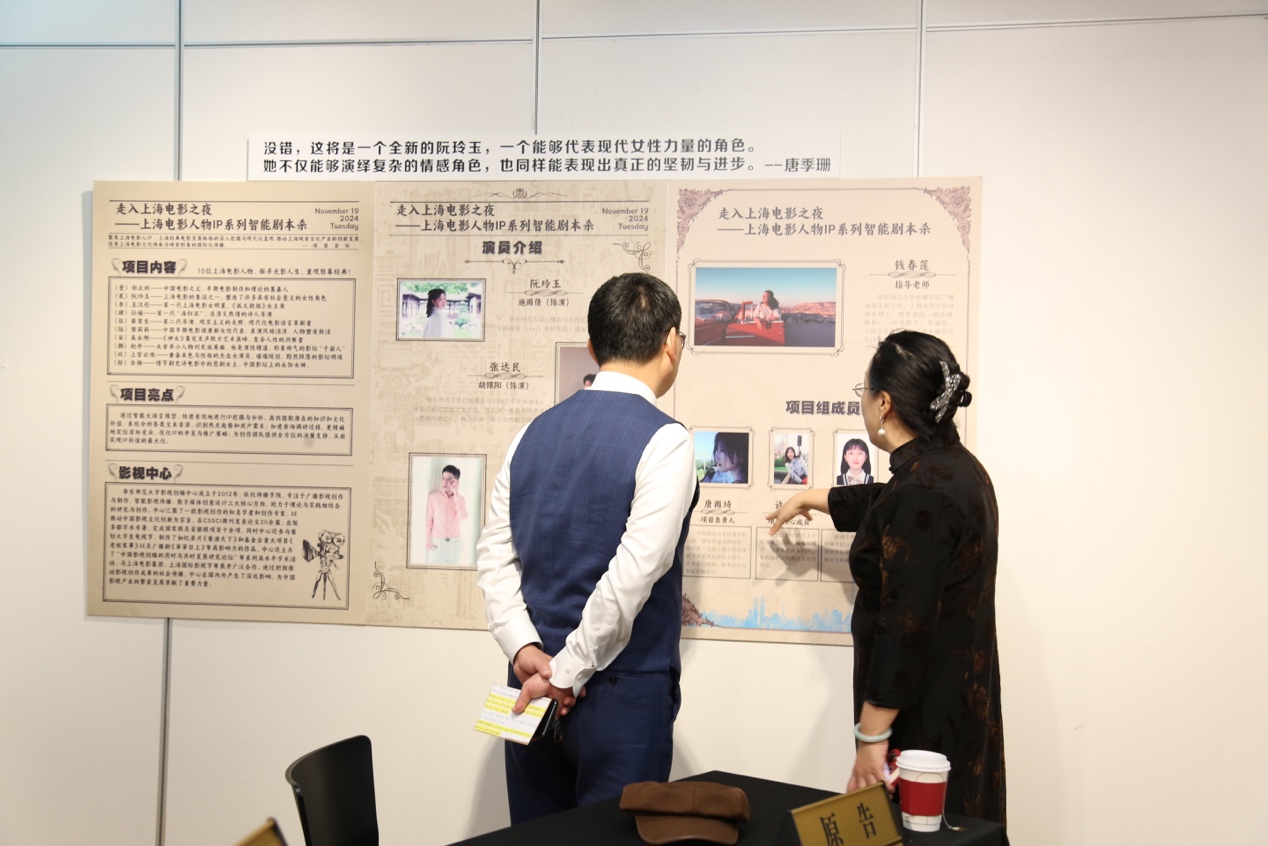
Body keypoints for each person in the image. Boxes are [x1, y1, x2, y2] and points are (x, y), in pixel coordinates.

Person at [476, 272, 698, 824]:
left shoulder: (531, 433)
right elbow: (633, 575)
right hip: (619, 696)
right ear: (671, 343)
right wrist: (565, 672)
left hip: (525, 688)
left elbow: (495, 557)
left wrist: (523, 649)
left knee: (533, 836)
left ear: (594, 347)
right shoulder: (667, 440)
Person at [765, 330, 1005, 824]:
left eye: (865, 391)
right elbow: (887, 502)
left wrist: (871, 739)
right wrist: (812, 497)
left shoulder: (924, 491)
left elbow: (905, 625)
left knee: (918, 830)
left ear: (884, 403)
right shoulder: (956, 470)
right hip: (957, 704)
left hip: (920, 727)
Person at [424, 464, 467, 565]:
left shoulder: (460, 499)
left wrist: (456, 493)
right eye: (443, 478)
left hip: (455, 545)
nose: (444, 482)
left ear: (456, 481)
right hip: (438, 545)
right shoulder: (434, 497)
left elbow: (463, 517)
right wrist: (428, 543)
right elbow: (428, 521)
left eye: (449, 479)